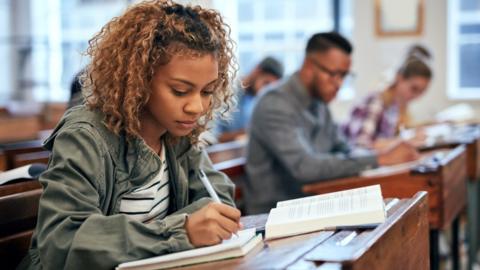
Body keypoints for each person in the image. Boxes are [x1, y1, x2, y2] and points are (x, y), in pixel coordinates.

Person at [18, 1, 242, 269]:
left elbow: (218, 199)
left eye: (207, 91)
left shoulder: (178, 132)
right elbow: (63, 242)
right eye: (180, 91)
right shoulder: (85, 136)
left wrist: (192, 226)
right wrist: (179, 231)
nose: (197, 107)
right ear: (138, 78)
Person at [245, 32, 419, 214]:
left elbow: (344, 148)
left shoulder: (319, 103)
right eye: (334, 74)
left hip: (314, 205)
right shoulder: (274, 104)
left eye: (344, 76)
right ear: (309, 66)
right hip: (274, 216)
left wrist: (380, 155)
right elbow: (306, 168)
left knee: (393, 209)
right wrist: (381, 158)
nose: (339, 84)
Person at [342, 45, 433, 148]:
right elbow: (361, 145)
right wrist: (404, 142)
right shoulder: (376, 102)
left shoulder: (395, 106)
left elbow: (390, 137)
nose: (417, 96)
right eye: (414, 89)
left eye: (422, 92)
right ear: (399, 78)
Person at [214, 56, 284, 142]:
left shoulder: (255, 101)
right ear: (257, 71)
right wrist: (246, 133)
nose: (264, 91)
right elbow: (212, 138)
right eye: (266, 83)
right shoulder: (224, 92)